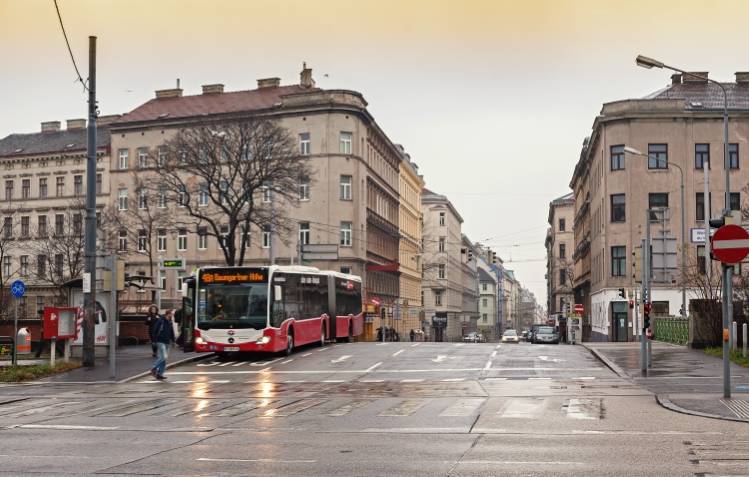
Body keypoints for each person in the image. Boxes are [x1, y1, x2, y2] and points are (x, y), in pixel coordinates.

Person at [150, 309, 176, 380]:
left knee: (165, 359)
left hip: (167, 341)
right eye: (171, 314)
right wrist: (154, 341)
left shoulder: (170, 321)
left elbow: (171, 331)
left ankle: (160, 374)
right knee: (163, 356)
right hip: (160, 341)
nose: (172, 315)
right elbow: (155, 330)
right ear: (168, 314)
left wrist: (173, 340)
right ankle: (154, 369)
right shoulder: (160, 321)